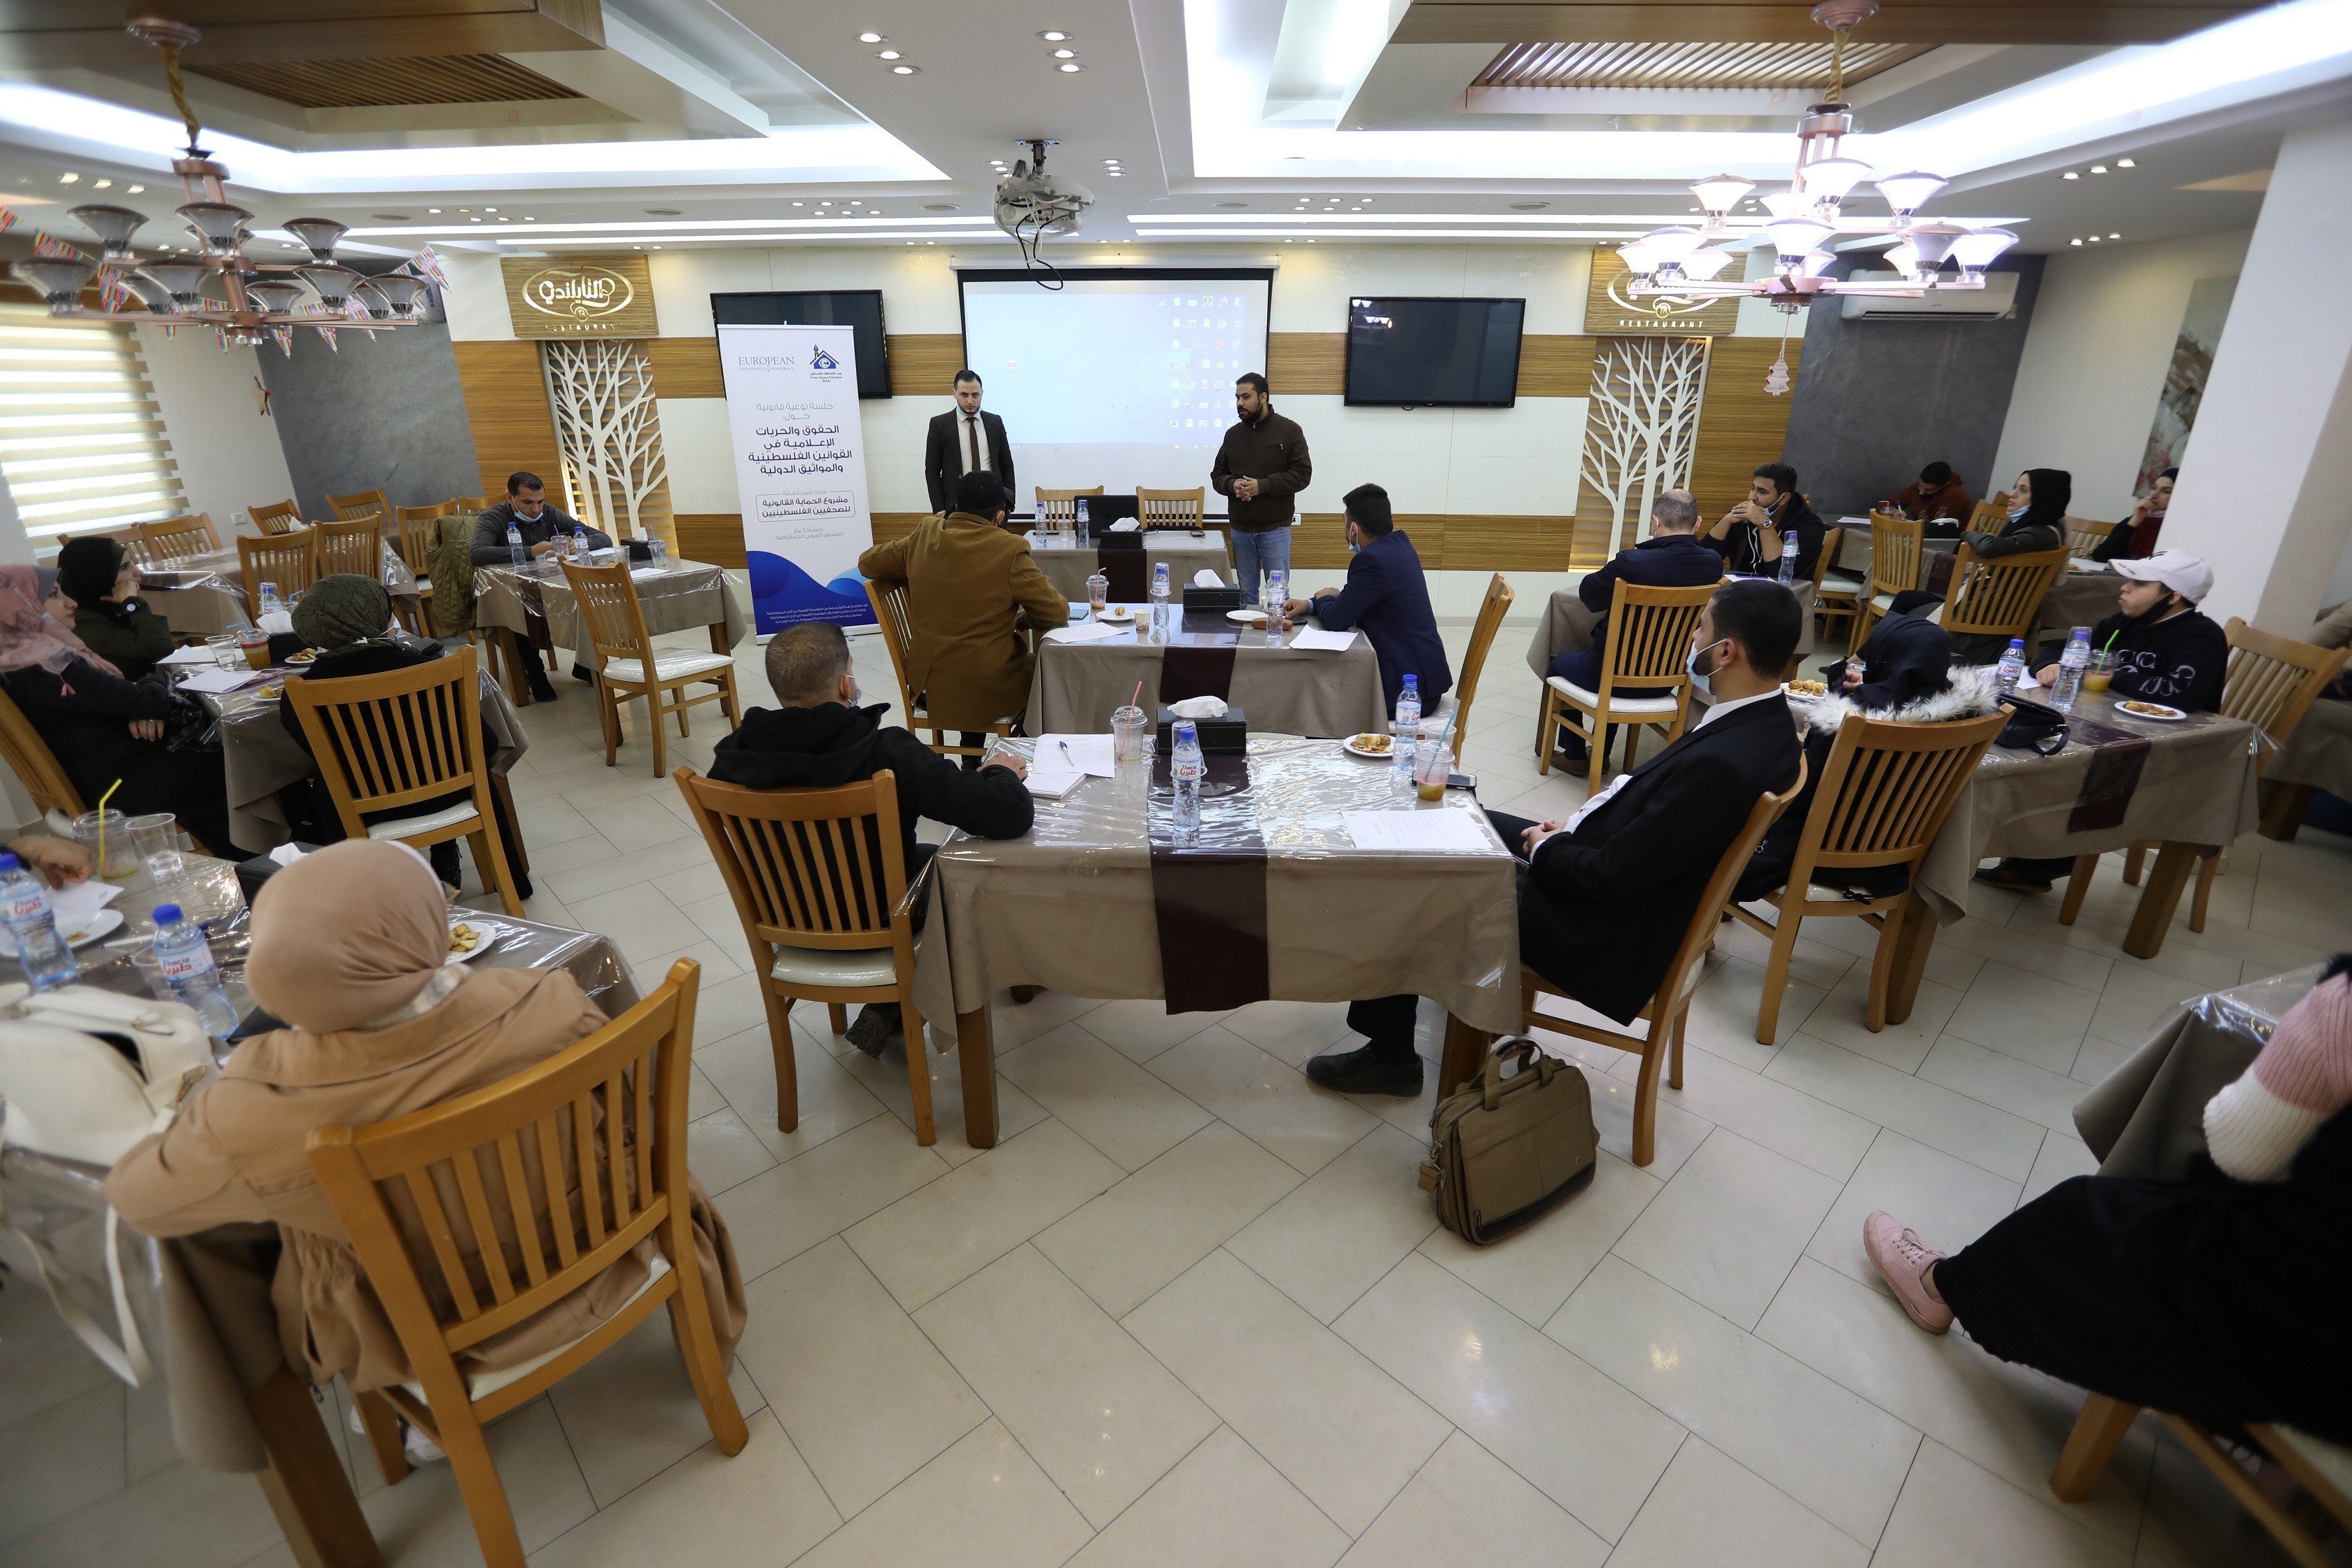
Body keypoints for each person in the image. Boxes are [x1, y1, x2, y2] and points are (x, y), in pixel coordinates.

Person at [105, 840, 748, 1400]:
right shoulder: (544, 999)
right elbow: (630, 1108)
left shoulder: (251, 1108)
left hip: (421, 1317)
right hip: (602, 1238)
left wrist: (167, 1115)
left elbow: (139, 1203)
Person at [1308, 581, 1803, 1096]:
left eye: (1700, 629)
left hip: (1605, 930)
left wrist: (1549, 850)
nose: (1693, 639)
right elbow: (1658, 831)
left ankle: (1391, 1057)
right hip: (1614, 877)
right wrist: (1572, 830)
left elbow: (1614, 876)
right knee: (1453, 816)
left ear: (1726, 652)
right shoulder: (1769, 725)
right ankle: (1430, 990)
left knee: (1422, 878)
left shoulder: (1724, 764)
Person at [1859, 958, 2352, 1447]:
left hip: (2294, 1350)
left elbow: (2237, 1146)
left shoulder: (2342, 1006)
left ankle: (1940, 1286)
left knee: (2080, 1211)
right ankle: (2286, 1475)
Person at [709, 622, 1033, 1054]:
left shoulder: (733, 761)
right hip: (882, 914)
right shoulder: (886, 752)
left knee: (924, 858)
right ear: (846, 683)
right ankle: (926, 993)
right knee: (960, 868)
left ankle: (890, 1005)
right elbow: (1010, 816)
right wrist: (1000, 773)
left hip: (789, 913)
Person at [1975, 550, 2228, 893]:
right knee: (2035, 750)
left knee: (2054, 768)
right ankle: (2030, 854)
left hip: (2168, 761)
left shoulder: (2201, 636)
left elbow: (2180, 694)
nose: (2124, 588)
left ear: (2172, 596)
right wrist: (2048, 665)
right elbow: (2063, 650)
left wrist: (2109, 674)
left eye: (2139, 584)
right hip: (2111, 735)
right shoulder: (2121, 624)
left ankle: (2044, 858)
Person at [277, 575, 531, 900]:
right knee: (457, 762)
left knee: (305, 791)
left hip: (361, 811)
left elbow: (312, 759)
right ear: (373, 615)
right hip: (452, 794)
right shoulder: (434, 670)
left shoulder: (300, 692)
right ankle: (490, 872)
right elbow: (488, 744)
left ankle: (357, 897)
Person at [1735, 612, 2001, 904]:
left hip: (1821, 851)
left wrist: (1808, 741)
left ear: (1882, 660)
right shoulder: (1964, 717)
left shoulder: (1847, 724)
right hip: (1892, 858)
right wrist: (1878, 684)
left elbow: (1799, 796)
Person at [0, 566, 248, 858]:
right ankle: (266, 854)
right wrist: (154, 683)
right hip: (120, 786)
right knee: (244, 756)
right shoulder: (52, 667)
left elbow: (129, 700)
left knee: (219, 770)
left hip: (102, 776)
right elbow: (148, 700)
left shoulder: (14, 662)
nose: (71, 602)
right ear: (18, 608)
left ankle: (244, 857)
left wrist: (140, 701)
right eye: (54, 595)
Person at [857, 470, 1068, 766]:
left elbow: (867, 563)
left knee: (978, 659)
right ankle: (1025, 758)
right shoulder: (1008, 548)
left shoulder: (925, 534)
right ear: (999, 517)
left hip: (927, 686)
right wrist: (1021, 621)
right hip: (984, 690)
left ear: (956, 507)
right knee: (1044, 672)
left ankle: (972, 756)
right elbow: (1056, 612)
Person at [1544, 488, 1721, 776]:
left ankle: (1576, 756)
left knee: (1558, 663)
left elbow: (1589, 595)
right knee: (1619, 663)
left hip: (1609, 676)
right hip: (1668, 680)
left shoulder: (1631, 562)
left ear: (1655, 522)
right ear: (1697, 523)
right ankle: (1600, 754)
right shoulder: (1712, 562)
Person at [1278, 482, 1448, 713]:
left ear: (1354, 529)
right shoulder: (1399, 547)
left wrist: (1324, 596)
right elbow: (1355, 601)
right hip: (1423, 676)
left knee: (1317, 698)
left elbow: (1336, 620)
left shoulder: (1373, 561)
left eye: (1344, 523)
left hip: (1407, 692)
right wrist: (1311, 603)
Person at [1889, 467, 2074, 664]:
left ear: (2043, 496)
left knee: (1906, 604)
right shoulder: (2046, 530)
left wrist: (1968, 534)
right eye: (2015, 487)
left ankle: (1879, 657)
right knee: (1907, 597)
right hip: (1988, 606)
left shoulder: (2039, 534)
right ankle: (1879, 656)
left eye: (2023, 490)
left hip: (1984, 613)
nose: (2012, 494)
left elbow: (1988, 546)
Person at [467, 471, 613, 702]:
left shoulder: (550, 513)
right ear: (510, 497)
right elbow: (477, 554)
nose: (535, 509)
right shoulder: (494, 516)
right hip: (511, 589)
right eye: (527, 503)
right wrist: (531, 551)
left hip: (548, 583)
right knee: (522, 610)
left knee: (585, 601)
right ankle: (535, 673)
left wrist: (578, 543)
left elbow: (603, 538)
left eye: (540, 502)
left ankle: (584, 665)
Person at [1211, 372, 1312, 607]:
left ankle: (1277, 630)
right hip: (1241, 529)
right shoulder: (1233, 435)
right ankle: (1247, 633)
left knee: (1278, 596)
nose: (1240, 403)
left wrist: (1262, 486)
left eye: (1246, 397)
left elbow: (1302, 475)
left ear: (1263, 397)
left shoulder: (1289, 431)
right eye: (1237, 398)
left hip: (1275, 529)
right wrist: (1233, 485)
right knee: (1246, 595)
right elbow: (1217, 475)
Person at [55, 536, 174, 679]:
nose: (138, 571)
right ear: (98, 578)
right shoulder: (84, 625)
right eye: (124, 567)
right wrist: (135, 604)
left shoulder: (108, 608)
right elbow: (160, 646)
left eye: (132, 562)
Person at [1702, 463, 1823, 582]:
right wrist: (1726, 521)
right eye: (1752, 489)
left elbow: (1781, 572)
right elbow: (1703, 561)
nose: (1752, 497)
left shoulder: (1810, 526)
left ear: (1783, 498)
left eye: (1762, 492)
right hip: (1738, 589)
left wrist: (1764, 523)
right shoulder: (1743, 518)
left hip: (1785, 593)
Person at [923, 369, 1016, 519]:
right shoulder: (939, 424)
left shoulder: (995, 422)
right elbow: (932, 470)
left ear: (982, 394)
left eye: (975, 395)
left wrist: (1009, 504)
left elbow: (1007, 464)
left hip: (994, 506)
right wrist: (940, 510)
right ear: (954, 393)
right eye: (964, 395)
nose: (970, 401)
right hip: (956, 506)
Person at [2090, 468, 2176, 562]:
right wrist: (2136, 520)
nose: (2155, 494)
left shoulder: (2175, 529)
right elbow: (2101, 557)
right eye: (2154, 488)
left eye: (2166, 491)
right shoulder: (2134, 520)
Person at [1879, 461, 1973, 532]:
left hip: (1952, 541)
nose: (1921, 493)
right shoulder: (1917, 488)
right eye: (1920, 486)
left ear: (1944, 486)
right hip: (1921, 535)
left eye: (1929, 490)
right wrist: (1892, 511)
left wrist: (1905, 525)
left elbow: (1937, 530)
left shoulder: (1955, 496)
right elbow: (1884, 504)